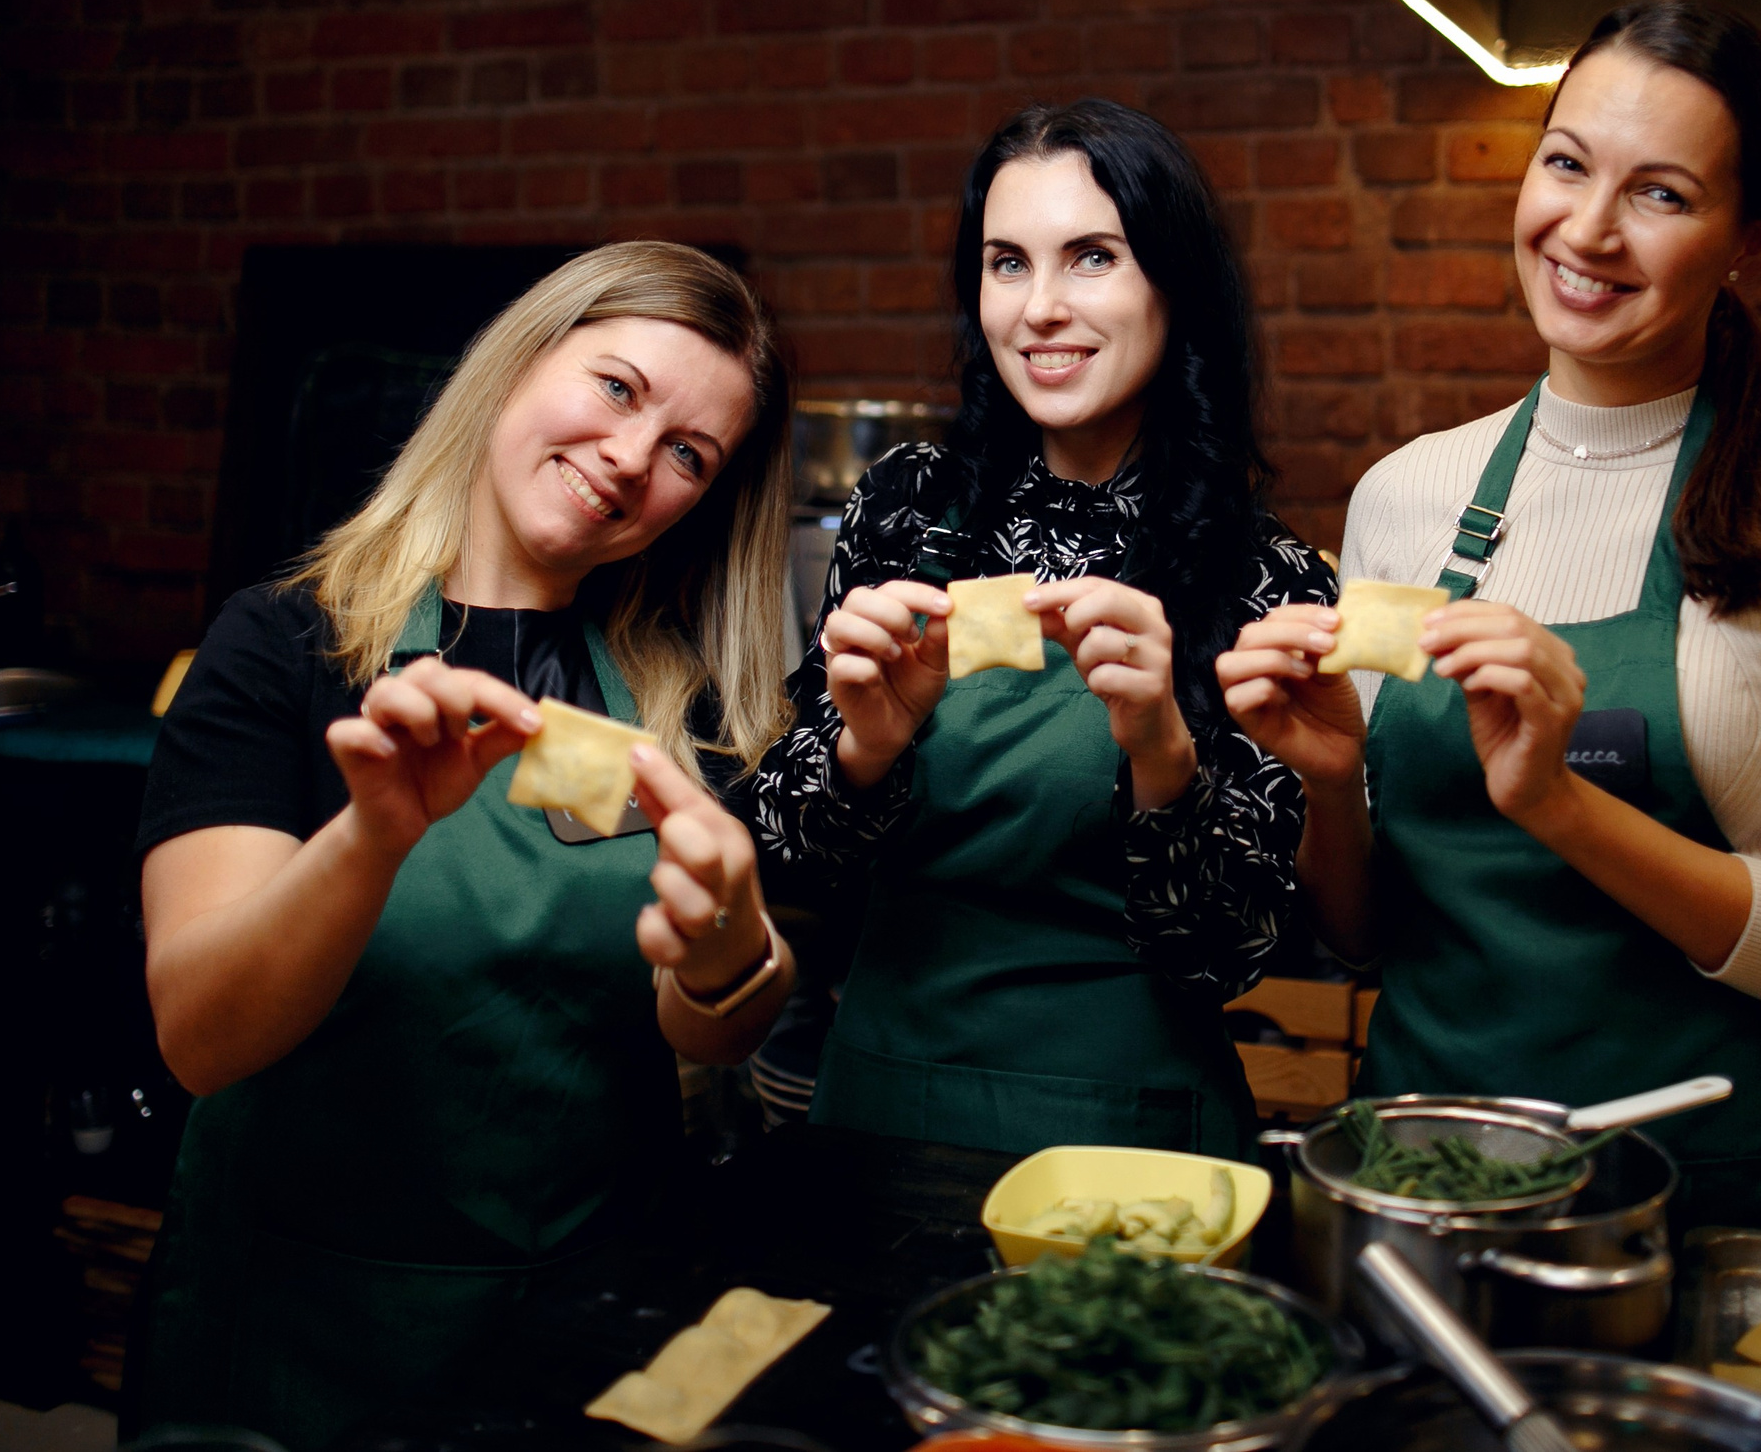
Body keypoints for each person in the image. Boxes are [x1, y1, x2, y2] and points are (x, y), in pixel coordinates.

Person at [1218, 0, 1761, 1234]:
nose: (1589, 229)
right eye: (1566, 164)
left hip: (1717, 1198)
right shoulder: (1408, 496)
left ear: (1749, 239)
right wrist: (1332, 784)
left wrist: (1557, 799)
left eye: (1661, 194)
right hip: (1426, 1185)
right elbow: (1368, 939)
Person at [127, 243, 800, 1450]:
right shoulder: (284, 649)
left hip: (590, 1320)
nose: (632, 459)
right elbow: (200, 1036)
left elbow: (706, 1029)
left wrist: (729, 947)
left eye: (689, 453)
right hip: (305, 1331)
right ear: (518, 360)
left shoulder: (683, 709)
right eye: (616, 387)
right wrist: (375, 831)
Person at [754, 99, 1334, 1161]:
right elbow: (785, 855)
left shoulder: (1266, 578)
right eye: (1007, 263)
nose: (1041, 309)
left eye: (1092, 258)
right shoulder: (907, 510)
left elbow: (1231, 954)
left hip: (1133, 1142)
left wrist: (1162, 754)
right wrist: (864, 746)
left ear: (1173, 284)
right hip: (882, 1114)